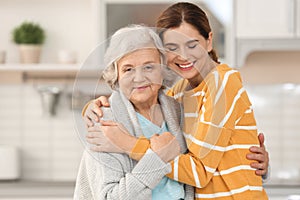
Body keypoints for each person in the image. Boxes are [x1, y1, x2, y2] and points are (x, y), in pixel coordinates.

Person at [83, 2, 269, 199]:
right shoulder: (179, 93)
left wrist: (127, 144)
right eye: (172, 47)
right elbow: (148, 104)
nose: (184, 56)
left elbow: (200, 172)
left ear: (209, 41)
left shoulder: (222, 83)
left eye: (192, 44)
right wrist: (93, 108)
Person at [74, 24, 194, 199]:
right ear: (117, 75)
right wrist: (157, 159)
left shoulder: (178, 110)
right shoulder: (106, 121)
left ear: (162, 70)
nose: (139, 78)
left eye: (149, 67)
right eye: (128, 69)